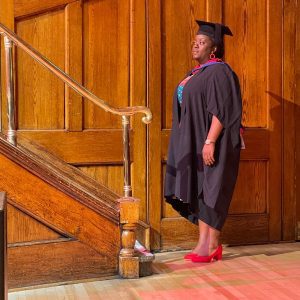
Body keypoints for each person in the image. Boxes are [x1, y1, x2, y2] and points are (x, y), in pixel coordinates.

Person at [164, 20, 243, 263]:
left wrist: (209, 141)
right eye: (194, 42)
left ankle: (210, 245)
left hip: (213, 141)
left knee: (212, 190)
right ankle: (205, 244)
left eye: (201, 42)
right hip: (194, 140)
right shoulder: (197, 73)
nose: (195, 45)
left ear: (214, 49)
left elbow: (223, 111)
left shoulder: (220, 72)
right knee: (200, 189)